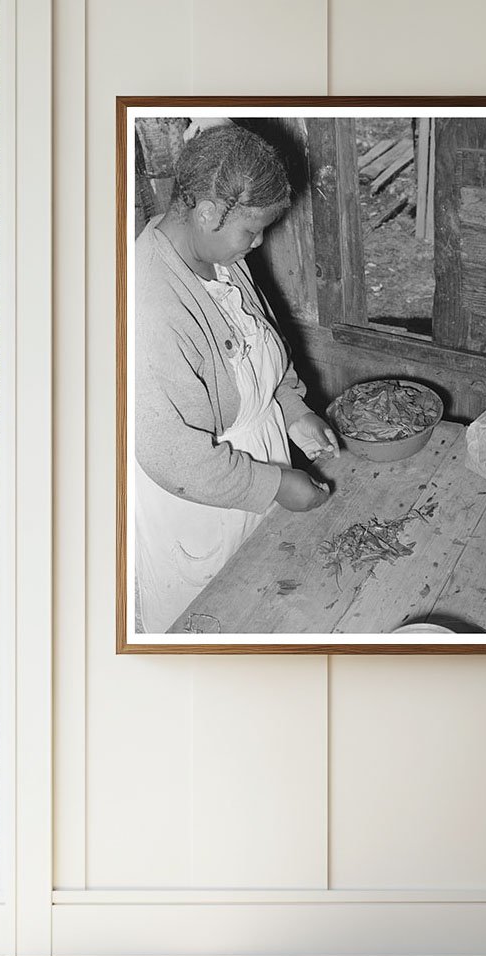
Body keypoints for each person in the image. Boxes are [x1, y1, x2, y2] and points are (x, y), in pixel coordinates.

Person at [134, 124, 338, 633]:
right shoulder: (149, 303)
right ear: (207, 212)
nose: (260, 242)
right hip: (200, 500)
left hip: (255, 475)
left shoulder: (213, 253)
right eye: (252, 230)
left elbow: (259, 338)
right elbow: (170, 454)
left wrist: (294, 410)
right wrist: (271, 483)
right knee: (217, 625)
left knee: (265, 606)